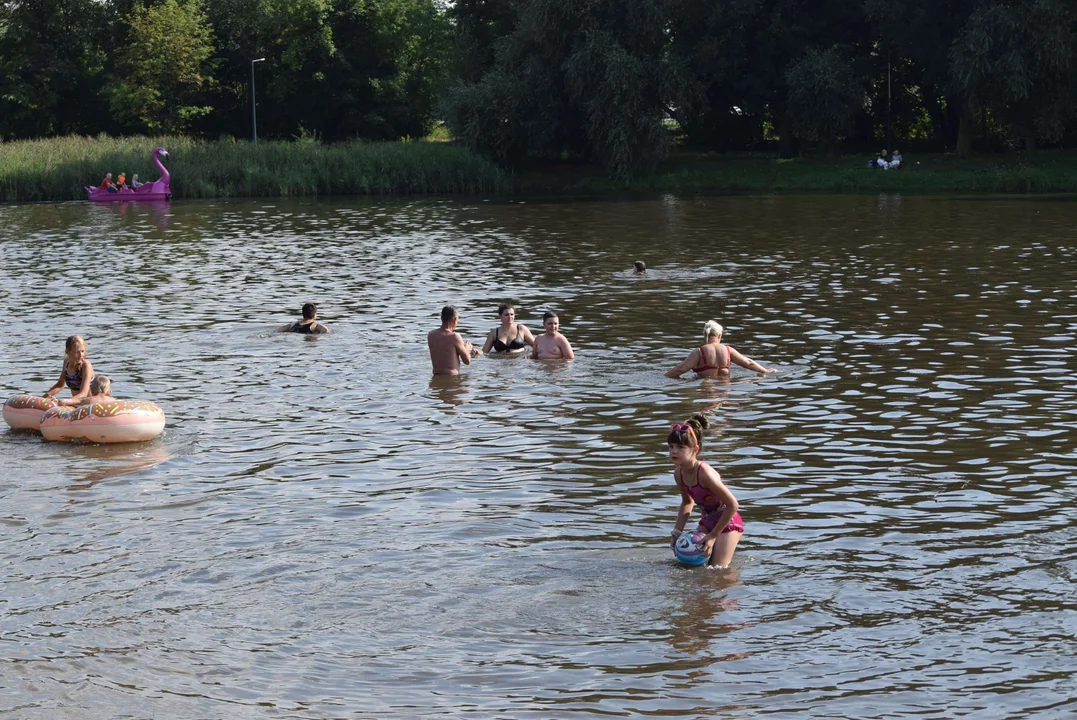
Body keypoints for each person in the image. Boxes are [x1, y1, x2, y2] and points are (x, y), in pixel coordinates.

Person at [668, 413, 743, 568]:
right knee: (689, 563)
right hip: (707, 521)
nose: (674, 451)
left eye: (681, 447)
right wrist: (677, 533)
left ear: (695, 449)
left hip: (728, 522)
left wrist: (713, 535)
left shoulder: (705, 473)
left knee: (717, 569)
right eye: (671, 447)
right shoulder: (678, 474)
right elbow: (687, 502)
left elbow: (733, 505)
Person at [666, 320, 772, 379]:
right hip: (724, 392)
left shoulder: (699, 352)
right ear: (719, 335)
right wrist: (766, 371)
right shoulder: (728, 350)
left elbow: (681, 369)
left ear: (705, 335)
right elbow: (748, 363)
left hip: (706, 393)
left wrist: (664, 377)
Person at [428, 305, 481, 375]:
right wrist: (467, 349)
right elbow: (467, 361)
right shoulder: (454, 336)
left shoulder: (431, 335)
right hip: (452, 381)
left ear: (442, 318)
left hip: (435, 378)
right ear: (455, 320)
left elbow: (446, 353)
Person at [43, 335, 94, 402]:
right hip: (74, 403)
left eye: (82, 351)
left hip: (89, 405)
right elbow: (60, 385)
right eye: (76, 352)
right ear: (67, 352)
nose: (81, 355)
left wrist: (64, 401)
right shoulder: (66, 362)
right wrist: (44, 397)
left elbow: (83, 394)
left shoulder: (86, 365)